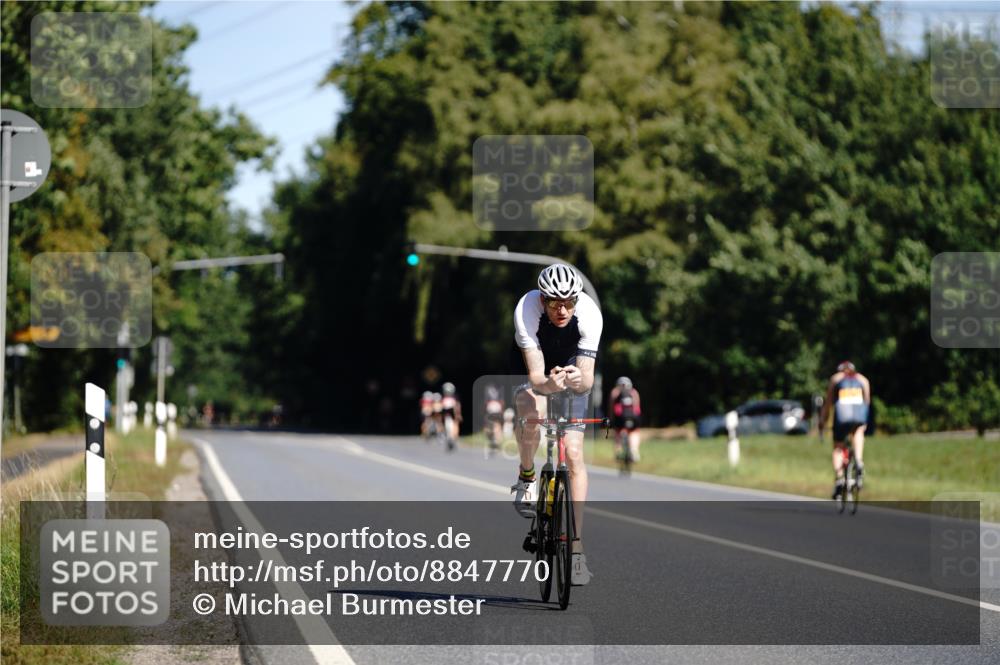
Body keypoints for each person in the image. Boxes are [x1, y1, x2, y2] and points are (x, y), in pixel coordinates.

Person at [509, 263, 602, 586]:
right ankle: (526, 477)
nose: (562, 310)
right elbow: (536, 378)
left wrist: (578, 380)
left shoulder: (589, 313)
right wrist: (550, 383)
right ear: (543, 299)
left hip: (573, 372)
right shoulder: (526, 308)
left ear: (577, 300)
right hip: (541, 372)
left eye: (569, 303)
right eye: (554, 303)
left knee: (574, 454)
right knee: (528, 407)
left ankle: (576, 550)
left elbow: (588, 378)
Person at [819, 361, 871, 500]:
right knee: (858, 432)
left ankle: (840, 477)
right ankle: (859, 461)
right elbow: (867, 402)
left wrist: (823, 421)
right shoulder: (863, 379)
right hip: (859, 415)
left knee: (838, 447)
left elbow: (828, 403)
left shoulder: (836, 379)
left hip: (842, 416)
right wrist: (865, 423)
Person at [609, 376, 642, 463]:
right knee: (634, 432)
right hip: (634, 418)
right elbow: (637, 408)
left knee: (618, 432)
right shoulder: (634, 392)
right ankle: (634, 451)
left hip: (620, 418)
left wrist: (611, 419)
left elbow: (611, 408)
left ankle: (618, 451)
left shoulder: (615, 392)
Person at [483, 383, 505, 452]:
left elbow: (486, 402)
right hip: (497, 408)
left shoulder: (487, 388)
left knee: (489, 426)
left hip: (490, 408)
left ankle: (494, 440)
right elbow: (502, 401)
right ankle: (497, 441)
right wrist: (502, 411)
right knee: (497, 425)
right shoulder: (500, 388)